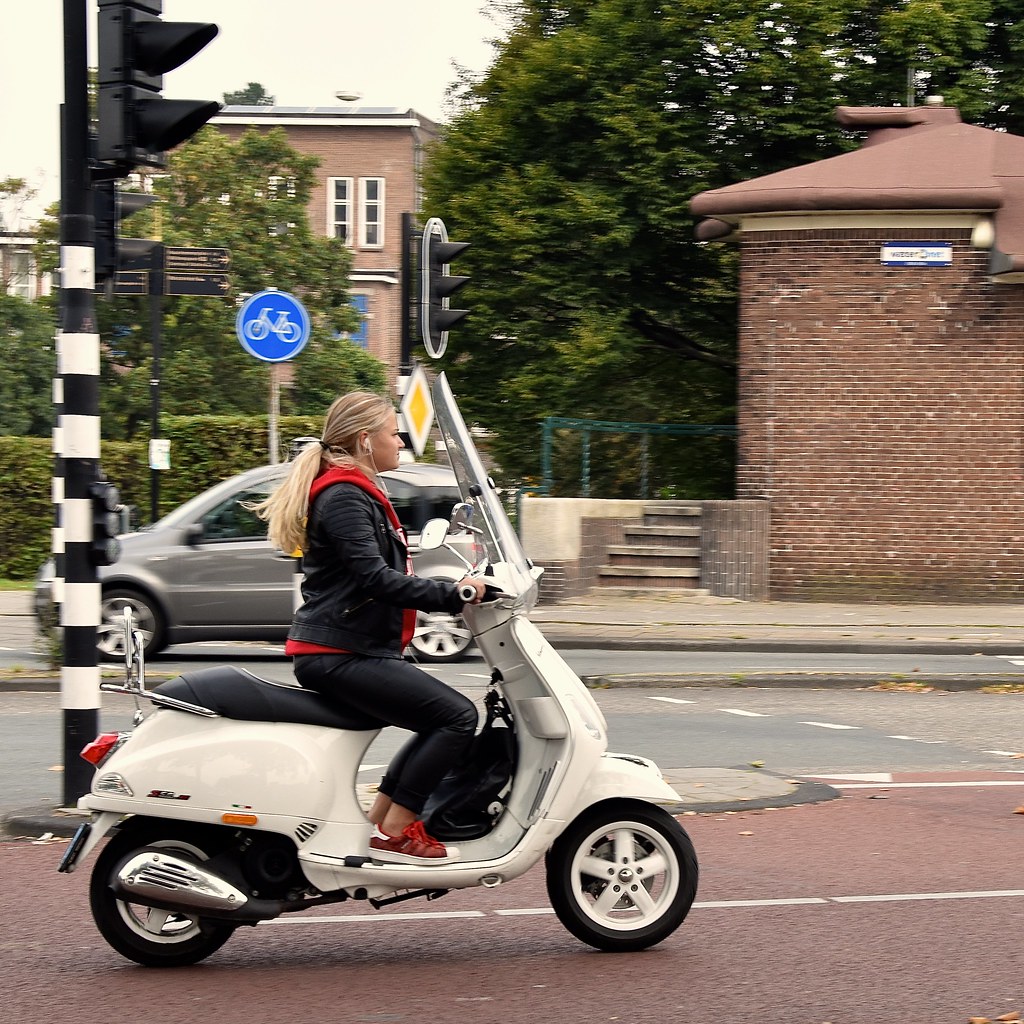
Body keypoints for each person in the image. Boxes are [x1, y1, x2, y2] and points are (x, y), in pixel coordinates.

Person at [256, 391, 486, 864]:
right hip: (338, 653)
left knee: (436, 718)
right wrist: (455, 593)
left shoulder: (354, 490)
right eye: (392, 432)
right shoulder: (343, 495)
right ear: (365, 440)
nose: (400, 440)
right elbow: (375, 579)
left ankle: (383, 820)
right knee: (457, 717)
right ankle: (399, 826)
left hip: (355, 647)